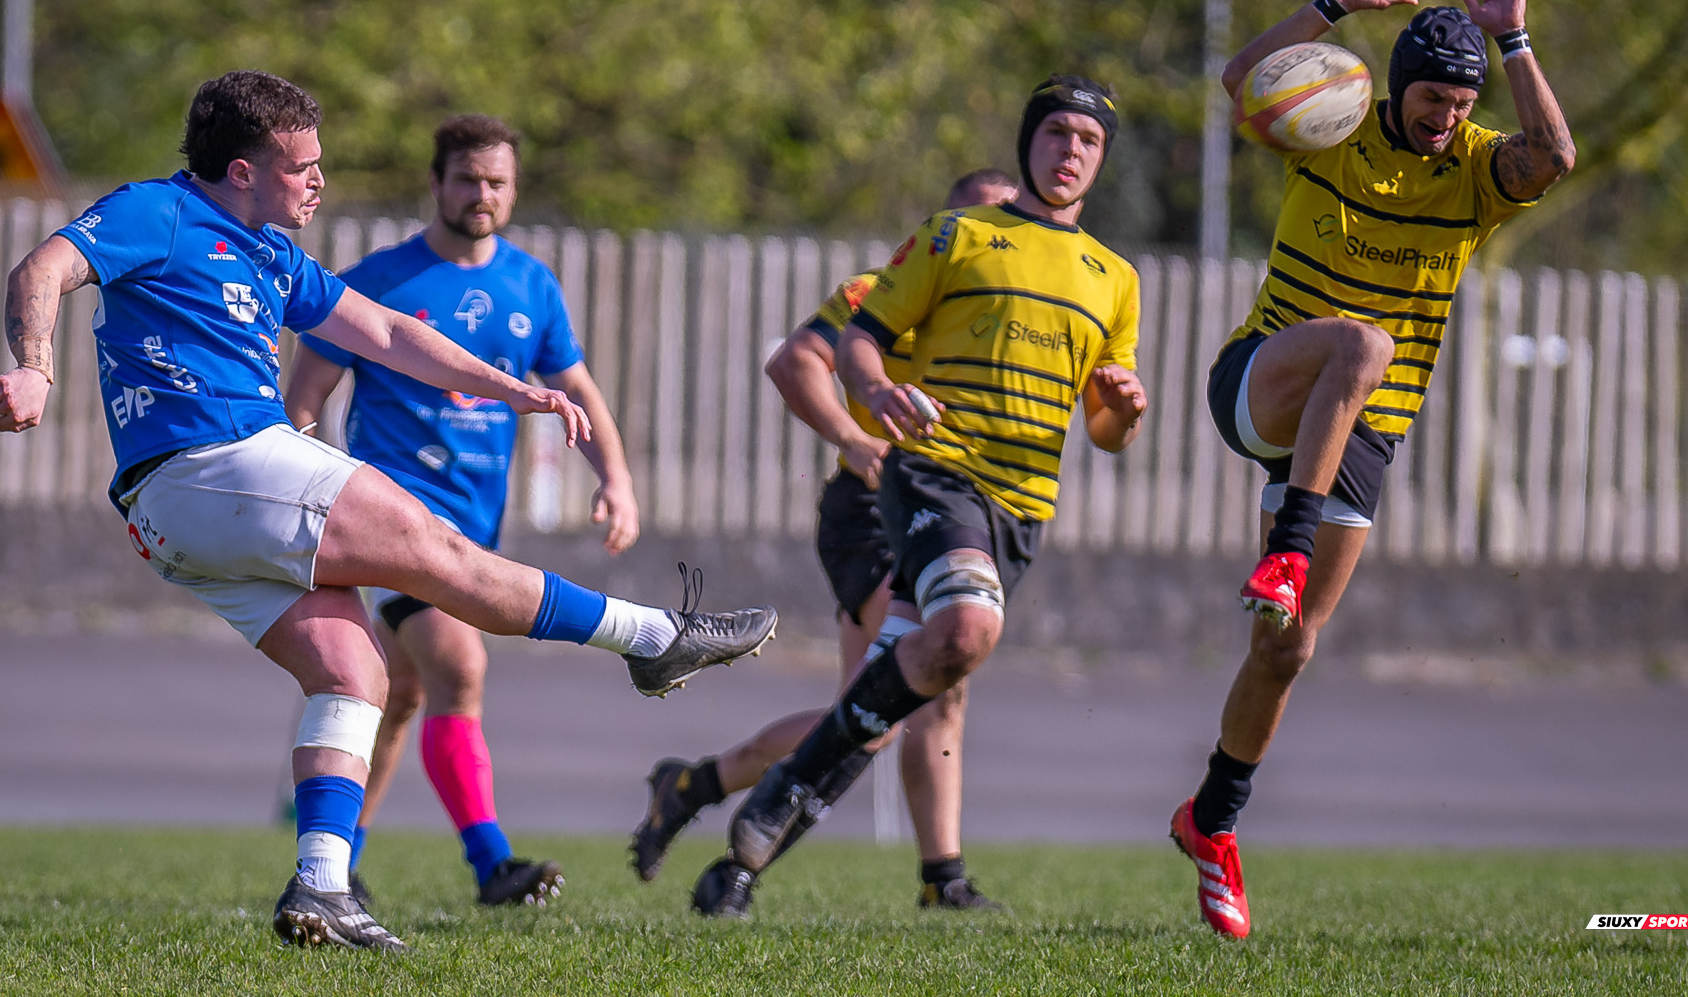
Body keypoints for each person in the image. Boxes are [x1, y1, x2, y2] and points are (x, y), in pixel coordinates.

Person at [0, 71, 777, 953]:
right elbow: (43, 267)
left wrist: (511, 388)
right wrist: (34, 365)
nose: (318, 181)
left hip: (181, 515)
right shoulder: (158, 211)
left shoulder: (272, 254)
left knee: (354, 674)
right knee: (437, 548)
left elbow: (386, 334)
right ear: (242, 171)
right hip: (216, 462)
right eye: (301, 166)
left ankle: (322, 885)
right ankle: (653, 638)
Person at [1169, 0, 1575, 938]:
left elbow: (1555, 155)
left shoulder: (1476, 170)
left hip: (1361, 432)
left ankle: (1212, 818)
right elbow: (1240, 81)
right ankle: (1288, 548)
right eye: (1435, 98)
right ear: (1398, 87)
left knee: (1288, 649)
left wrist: (1515, 41)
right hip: (1263, 380)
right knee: (1362, 343)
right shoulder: (1333, 123)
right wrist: (1331, 6)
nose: (1448, 117)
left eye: (1463, 104)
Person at [689, 77, 1147, 916]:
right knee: (966, 630)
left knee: (909, 680)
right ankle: (929, 867)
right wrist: (875, 396)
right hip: (932, 473)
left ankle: (752, 843)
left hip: (1022, 509)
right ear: (1028, 140)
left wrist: (1123, 410)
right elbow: (856, 340)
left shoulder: (1114, 277)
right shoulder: (955, 235)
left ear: (1104, 157)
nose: (1071, 149)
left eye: (1089, 139)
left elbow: (1105, 429)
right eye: (1056, 131)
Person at [629, 169, 1017, 910]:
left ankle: (693, 786)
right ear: (946, 229)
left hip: (956, 511)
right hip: (874, 509)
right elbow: (793, 361)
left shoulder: (1013, 318)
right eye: (983, 224)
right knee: (915, 680)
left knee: (888, 706)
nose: (1002, 242)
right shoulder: (889, 292)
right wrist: (852, 436)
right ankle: (933, 877)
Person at [284, 114, 640, 910]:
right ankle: (492, 864)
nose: (483, 194)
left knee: (395, 693)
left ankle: (334, 861)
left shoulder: (531, 285)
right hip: (392, 521)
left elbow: (578, 391)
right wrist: (306, 492)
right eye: (468, 179)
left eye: (497, 181)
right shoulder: (378, 281)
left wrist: (616, 478)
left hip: (475, 530)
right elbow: (302, 402)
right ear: (436, 183)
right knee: (462, 666)